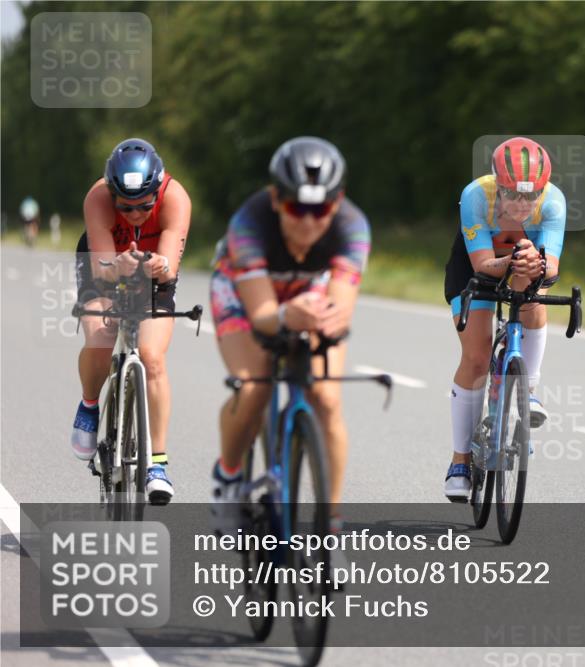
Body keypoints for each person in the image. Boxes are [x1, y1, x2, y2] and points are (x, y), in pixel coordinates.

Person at [209, 136, 370, 530]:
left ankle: (330, 524)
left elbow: (340, 306)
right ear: (277, 199)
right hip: (247, 291)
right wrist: (285, 315)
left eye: (322, 208)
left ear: (338, 201)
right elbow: (264, 316)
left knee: (327, 397)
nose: (310, 220)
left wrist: (329, 320)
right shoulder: (248, 223)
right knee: (253, 386)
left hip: (309, 288)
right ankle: (228, 477)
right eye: (298, 207)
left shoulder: (352, 226)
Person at [442, 136, 566, 501]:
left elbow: (553, 265)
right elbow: (483, 266)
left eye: (531, 195)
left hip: (522, 263)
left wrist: (536, 265)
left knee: (534, 289)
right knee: (477, 357)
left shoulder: (554, 201)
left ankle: (527, 390)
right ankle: (460, 460)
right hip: (475, 268)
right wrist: (511, 262)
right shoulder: (476, 196)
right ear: (498, 183)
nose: (522, 204)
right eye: (513, 194)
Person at [71, 138, 193, 505]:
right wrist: (116, 266)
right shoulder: (97, 198)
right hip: (105, 265)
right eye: (125, 205)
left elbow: (169, 264)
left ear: (158, 191)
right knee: (100, 338)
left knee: (153, 358)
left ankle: (157, 463)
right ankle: (89, 404)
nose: (136, 213)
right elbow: (102, 267)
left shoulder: (176, 198)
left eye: (144, 205)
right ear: (112, 193)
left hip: (154, 273)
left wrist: (160, 266)